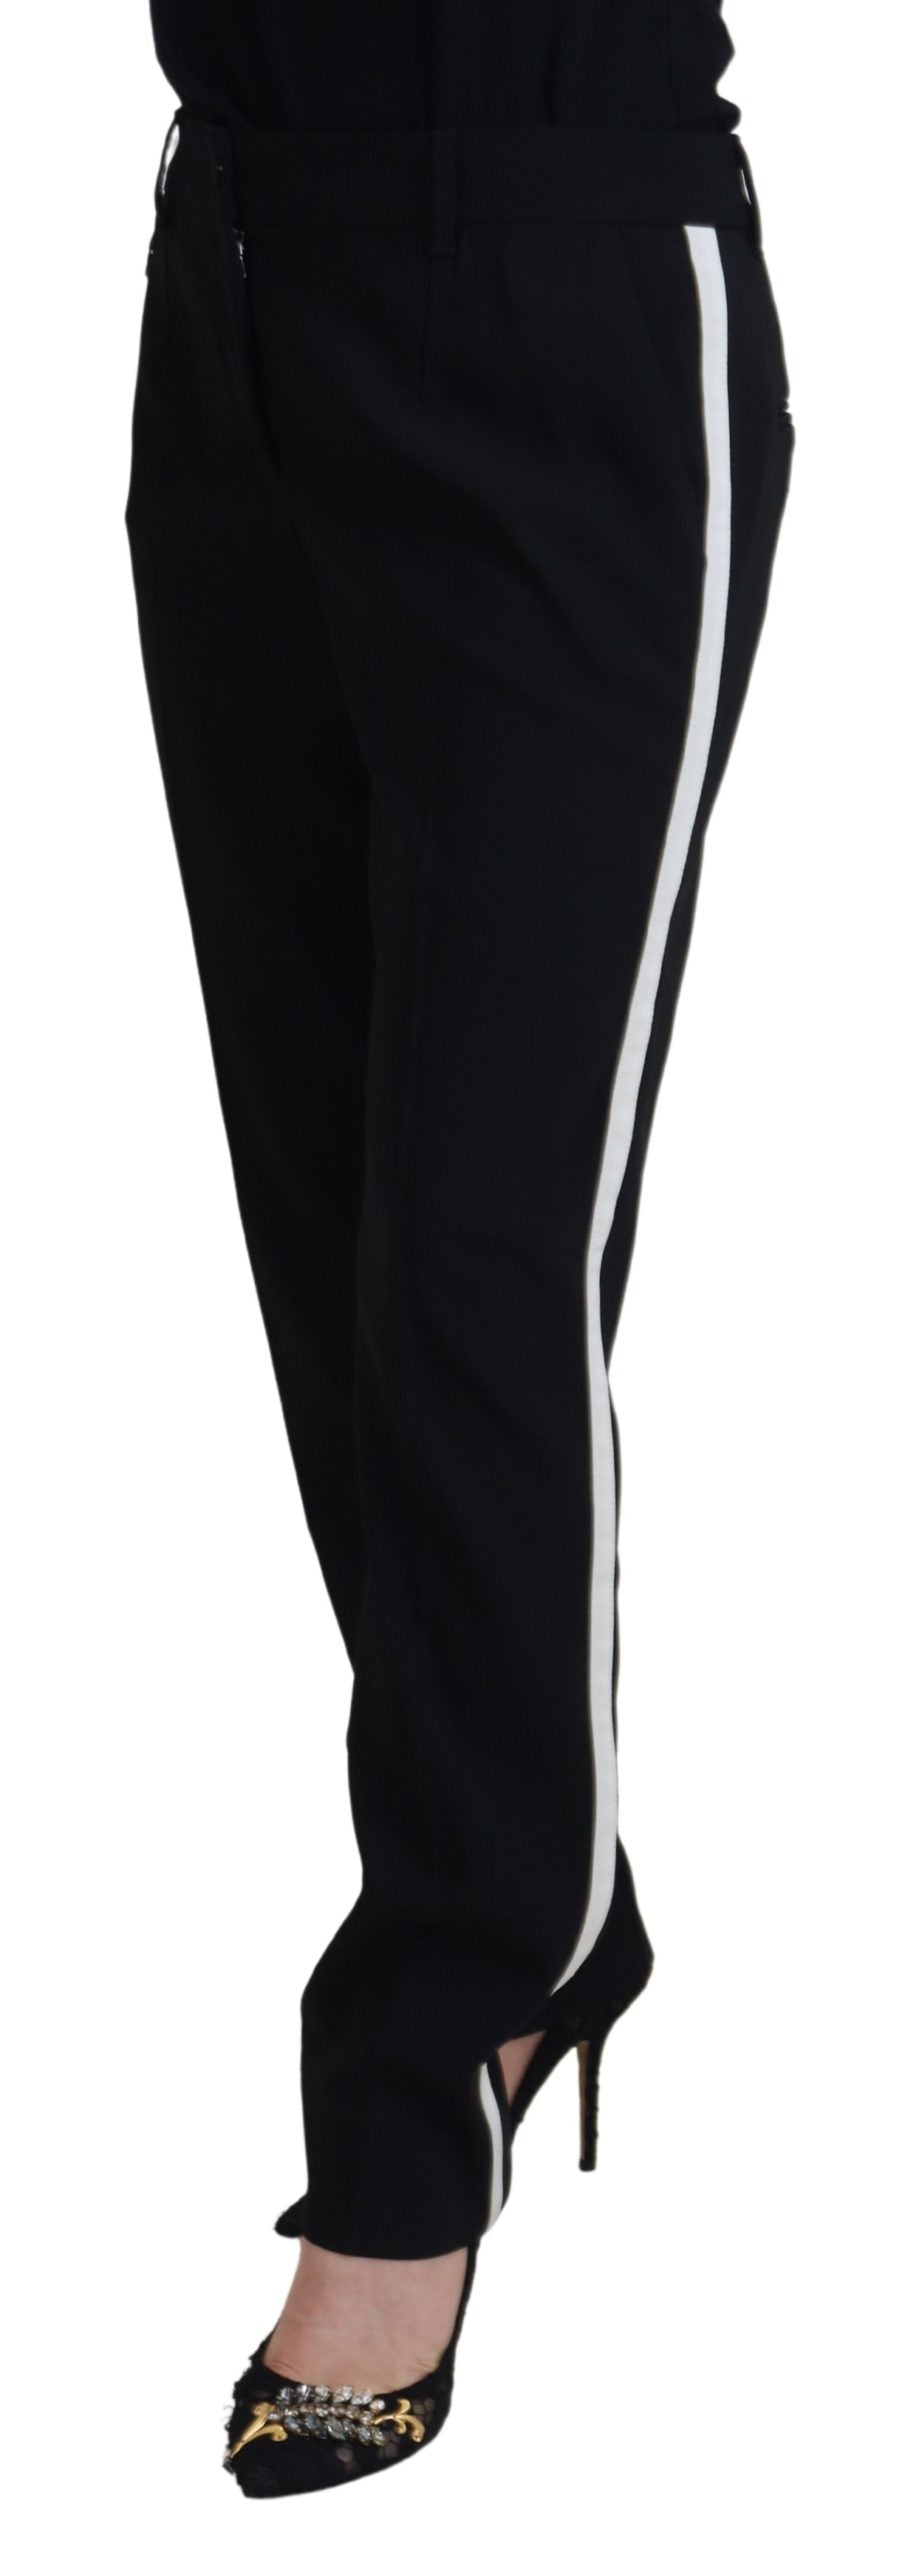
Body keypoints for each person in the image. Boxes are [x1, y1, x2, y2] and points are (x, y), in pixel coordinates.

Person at [125, 0, 795, 2497]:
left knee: (478, 1255)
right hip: (232, 282)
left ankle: (444, 2042)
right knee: (332, 1237)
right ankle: (543, 1894)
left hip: (566, 295)